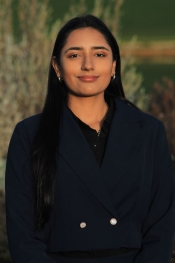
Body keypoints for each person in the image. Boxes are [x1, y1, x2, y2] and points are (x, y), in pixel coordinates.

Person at [5, 14, 175, 263]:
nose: (88, 65)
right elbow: (22, 236)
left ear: (114, 65)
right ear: (56, 66)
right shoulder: (30, 135)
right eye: (74, 55)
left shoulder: (149, 131)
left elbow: (162, 226)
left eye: (99, 54)